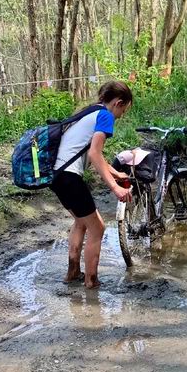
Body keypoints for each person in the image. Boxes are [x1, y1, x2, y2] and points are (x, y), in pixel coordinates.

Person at [50, 81, 133, 288]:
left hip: (56, 177)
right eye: (124, 110)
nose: (121, 115)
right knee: (98, 228)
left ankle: (73, 273)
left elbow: (90, 152)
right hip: (70, 177)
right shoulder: (105, 116)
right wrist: (115, 188)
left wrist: (115, 173)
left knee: (81, 222)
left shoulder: (91, 111)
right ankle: (91, 282)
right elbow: (95, 154)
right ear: (118, 103)